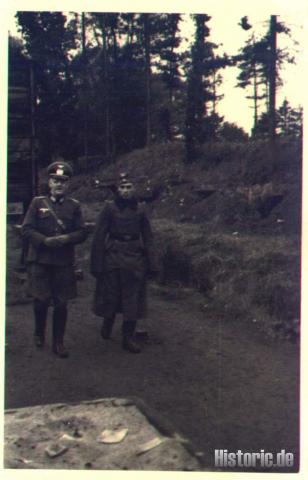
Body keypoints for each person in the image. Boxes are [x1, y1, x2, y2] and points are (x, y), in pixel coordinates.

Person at [21, 161, 87, 358]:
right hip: (41, 260)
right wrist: (44, 241)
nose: (59, 185)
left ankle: (58, 341)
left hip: (63, 262)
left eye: (63, 181)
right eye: (55, 180)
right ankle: (39, 332)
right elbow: (26, 229)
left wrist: (68, 238)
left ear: (68, 185)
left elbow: (82, 232)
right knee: (41, 301)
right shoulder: (37, 203)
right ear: (49, 183)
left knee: (61, 304)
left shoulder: (74, 206)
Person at [90, 173, 158, 353]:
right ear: (117, 190)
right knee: (111, 295)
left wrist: (153, 263)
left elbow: (148, 237)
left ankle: (128, 337)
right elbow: (98, 237)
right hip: (113, 256)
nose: (125, 191)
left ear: (134, 189)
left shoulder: (141, 210)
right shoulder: (109, 209)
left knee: (132, 298)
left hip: (134, 258)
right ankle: (108, 321)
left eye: (129, 187)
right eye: (122, 187)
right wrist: (96, 264)